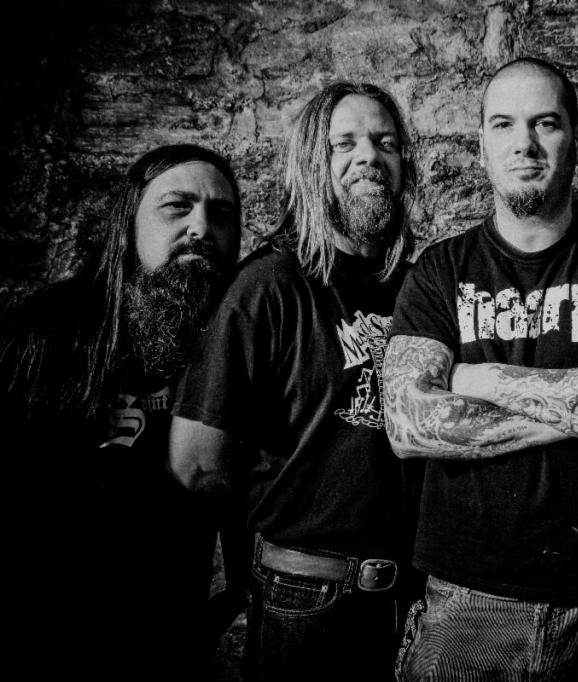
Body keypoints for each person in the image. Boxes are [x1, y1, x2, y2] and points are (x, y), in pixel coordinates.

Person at [384, 57, 578, 681]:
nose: (524, 143)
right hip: (467, 601)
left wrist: (481, 380)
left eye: (545, 123)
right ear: (482, 144)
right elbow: (409, 424)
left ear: (577, 138)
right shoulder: (439, 271)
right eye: (504, 124)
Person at [168, 81, 418, 681]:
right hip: (305, 598)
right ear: (312, 162)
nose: (369, 156)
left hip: (412, 597)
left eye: (385, 142)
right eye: (344, 144)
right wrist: (282, 535)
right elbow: (195, 462)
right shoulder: (271, 285)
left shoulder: (418, 285)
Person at [0, 144, 243, 680]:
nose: (201, 228)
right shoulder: (41, 337)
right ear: (129, 225)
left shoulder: (235, 351)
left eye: (222, 214)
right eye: (177, 207)